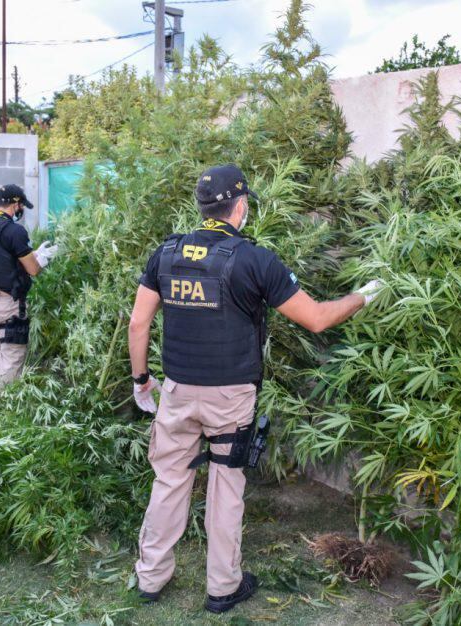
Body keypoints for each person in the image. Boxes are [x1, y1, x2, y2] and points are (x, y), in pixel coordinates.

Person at [127, 164, 381, 613]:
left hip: (178, 391)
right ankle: (223, 588)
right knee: (226, 486)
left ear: (202, 207)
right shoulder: (254, 259)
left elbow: (138, 322)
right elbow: (318, 318)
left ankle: (150, 579)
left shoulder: (165, 253)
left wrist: (141, 380)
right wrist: (364, 295)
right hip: (230, 397)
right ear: (240, 206)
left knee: (168, 481)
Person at [0, 183, 59, 388]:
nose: (21, 211)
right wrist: (43, 258)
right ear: (16, 204)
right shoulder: (14, 231)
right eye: (21, 206)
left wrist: (33, 253)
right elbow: (33, 270)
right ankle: (6, 409)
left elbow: (2, 257)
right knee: (12, 357)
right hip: (8, 304)